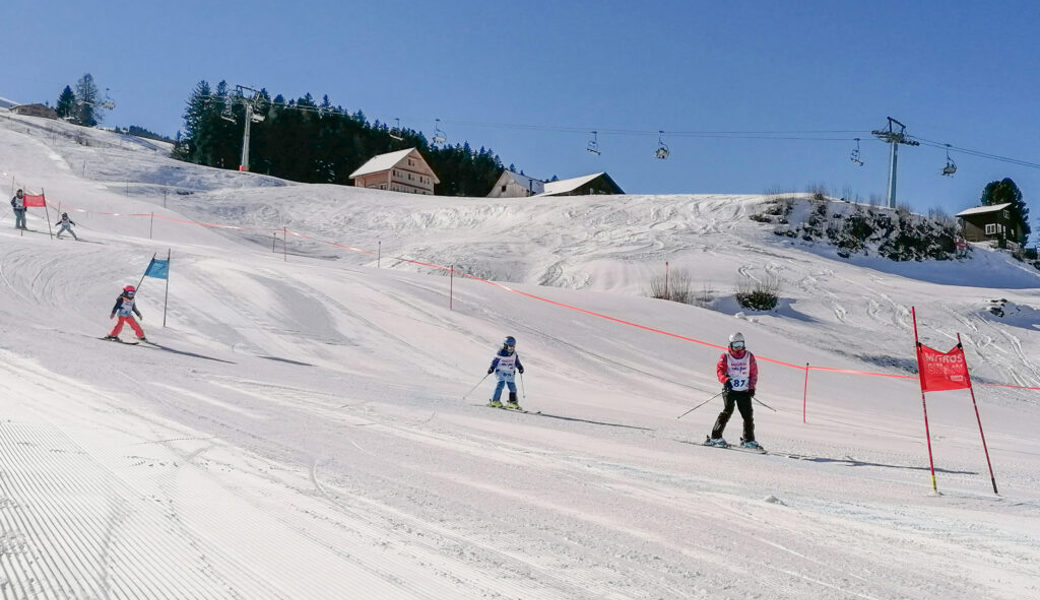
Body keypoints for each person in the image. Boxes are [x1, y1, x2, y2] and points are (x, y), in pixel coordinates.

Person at [706, 332, 761, 449]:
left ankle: (748, 440)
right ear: (730, 345)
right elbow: (720, 370)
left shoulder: (749, 356)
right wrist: (725, 380)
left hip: (744, 391)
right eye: (736, 344)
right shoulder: (725, 356)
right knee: (727, 411)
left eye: (740, 344)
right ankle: (715, 437)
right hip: (730, 389)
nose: (738, 348)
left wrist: (751, 387)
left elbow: (753, 373)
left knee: (748, 415)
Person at [487, 335, 524, 409]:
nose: (511, 349)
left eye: (513, 347)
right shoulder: (500, 353)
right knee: (500, 385)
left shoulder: (514, 354)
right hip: (501, 372)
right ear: (505, 346)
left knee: (513, 388)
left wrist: (520, 367)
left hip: (510, 374)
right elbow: (494, 362)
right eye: (510, 347)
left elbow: (516, 362)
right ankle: (495, 401)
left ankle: (512, 402)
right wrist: (491, 368)